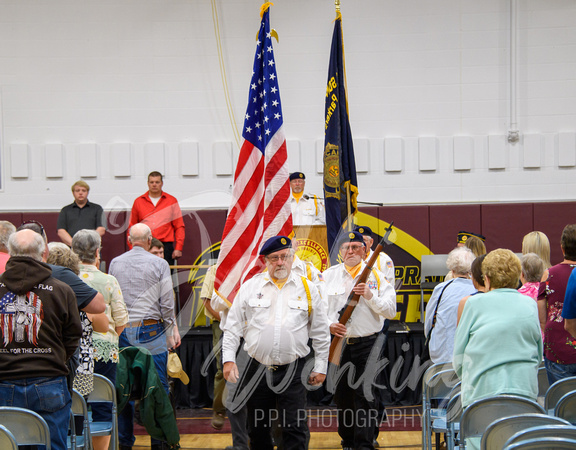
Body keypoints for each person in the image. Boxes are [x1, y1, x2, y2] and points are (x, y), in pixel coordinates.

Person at [222, 235, 330, 449]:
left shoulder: (308, 288)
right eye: (274, 258)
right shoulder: (250, 287)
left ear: (292, 257)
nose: (280, 262)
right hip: (257, 369)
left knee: (295, 427)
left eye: (285, 256)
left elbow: (320, 331)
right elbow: (232, 326)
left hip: (294, 370)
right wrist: (228, 360)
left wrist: (321, 366)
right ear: (265, 260)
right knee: (258, 428)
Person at [0, 229, 82, 450]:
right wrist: (55, 357)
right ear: (43, 252)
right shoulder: (62, 290)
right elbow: (73, 335)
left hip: (4, 381)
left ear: (10, 252)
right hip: (49, 381)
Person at [454, 249, 542, 449]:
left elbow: (458, 357)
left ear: (486, 278)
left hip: (481, 398)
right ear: (517, 277)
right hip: (524, 394)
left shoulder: (473, 305)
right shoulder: (529, 304)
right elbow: (538, 354)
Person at [322, 231, 397, 450]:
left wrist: (370, 296)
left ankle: (365, 444)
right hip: (340, 345)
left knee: (366, 397)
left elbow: (391, 310)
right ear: (341, 252)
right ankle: (347, 441)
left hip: (368, 344)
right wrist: (329, 324)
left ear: (365, 250)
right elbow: (318, 311)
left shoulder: (377, 277)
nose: (351, 251)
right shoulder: (328, 276)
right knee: (342, 397)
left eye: (356, 247)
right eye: (347, 247)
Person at [109, 223, 180, 450]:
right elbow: (167, 302)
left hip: (122, 331)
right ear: (150, 240)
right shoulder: (160, 263)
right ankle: (159, 443)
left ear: (130, 240)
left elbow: (112, 299)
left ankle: (124, 443)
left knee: (123, 387)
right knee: (156, 387)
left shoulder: (115, 263)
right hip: (151, 330)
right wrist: (172, 331)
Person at [72, 229, 129, 450]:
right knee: (104, 406)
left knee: (77, 406)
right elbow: (122, 321)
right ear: (98, 252)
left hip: (76, 352)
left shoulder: (69, 279)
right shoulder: (109, 281)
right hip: (105, 351)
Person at [538, 224, 576, 383]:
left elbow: (541, 316)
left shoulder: (548, 275)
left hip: (557, 347)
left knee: (560, 401)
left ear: (562, 248)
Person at [424, 247, 476, 363]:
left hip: (442, 355)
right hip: (470, 357)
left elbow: (429, 322)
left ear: (451, 269)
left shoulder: (441, 289)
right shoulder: (476, 289)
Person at [129, 171, 185, 266]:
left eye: (157, 182)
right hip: (144, 244)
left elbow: (179, 226)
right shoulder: (138, 202)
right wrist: (132, 248)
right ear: (148, 183)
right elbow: (132, 227)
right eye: (152, 182)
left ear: (162, 183)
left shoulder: (171, 201)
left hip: (165, 246)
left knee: (165, 276)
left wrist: (178, 248)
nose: (154, 185)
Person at [57, 180, 106, 246]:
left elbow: (101, 229)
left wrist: (89, 243)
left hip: (91, 248)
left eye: (83, 190)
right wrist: (74, 245)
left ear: (87, 192)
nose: (80, 193)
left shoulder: (97, 208)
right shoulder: (65, 210)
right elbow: (61, 231)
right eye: (77, 190)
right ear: (73, 193)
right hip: (71, 248)